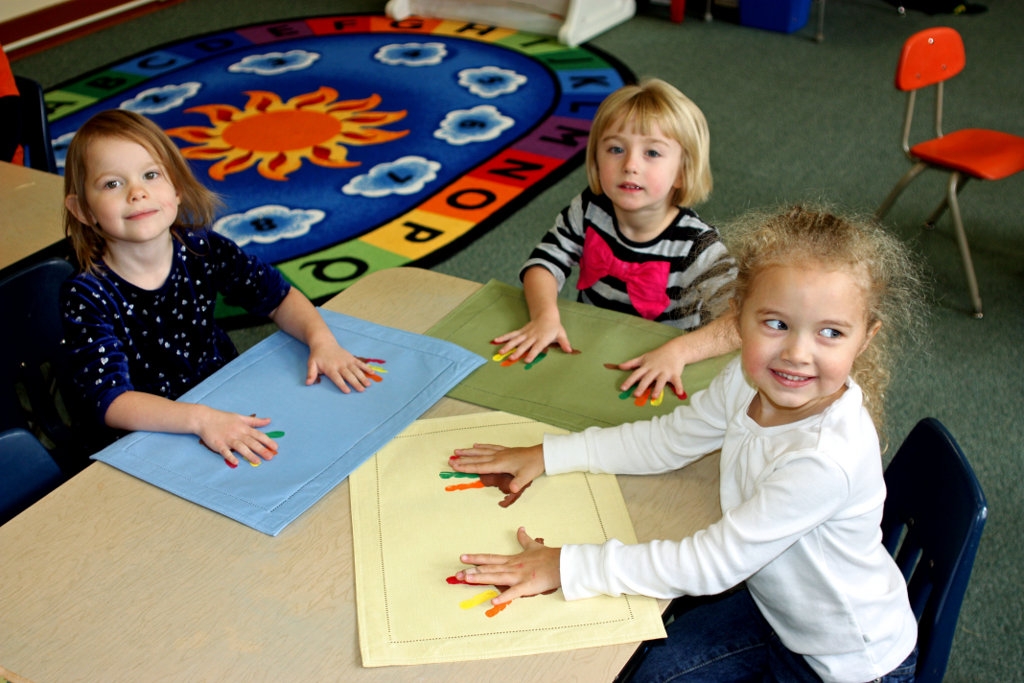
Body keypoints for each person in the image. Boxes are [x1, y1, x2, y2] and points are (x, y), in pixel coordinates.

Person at [451, 205, 926, 682]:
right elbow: (670, 441)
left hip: (847, 663)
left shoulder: (824, 459)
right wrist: (550, 453)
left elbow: (710, 563)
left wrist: (566, 564)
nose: (797, 354)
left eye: (831, 333)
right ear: (739, 319)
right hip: (778, 610)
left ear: (864, 339)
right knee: (649, 674)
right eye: (776, 324)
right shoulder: (747, 381)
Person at [60, 109, 374, 468]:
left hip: (224, 402)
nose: (138, 193)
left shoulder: (201, 247)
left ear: (176, 188)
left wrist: (323, 341)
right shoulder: (86, 295)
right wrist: (200, 419)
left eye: (150, 175)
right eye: (112, 184)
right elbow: (111, 400)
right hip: (146, 441)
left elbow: (277, 296)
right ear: (82, 210)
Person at [494, 78, 738, 402]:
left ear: (682, 172)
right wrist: (544, 317)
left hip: (662, 372)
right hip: (591, 352)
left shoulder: (698, 247)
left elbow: (741, 321)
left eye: (652, 152)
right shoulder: (589, 208)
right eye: (615, 149)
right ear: (596, 159)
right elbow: (543, 262)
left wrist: (679, 352)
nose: (630, 165)